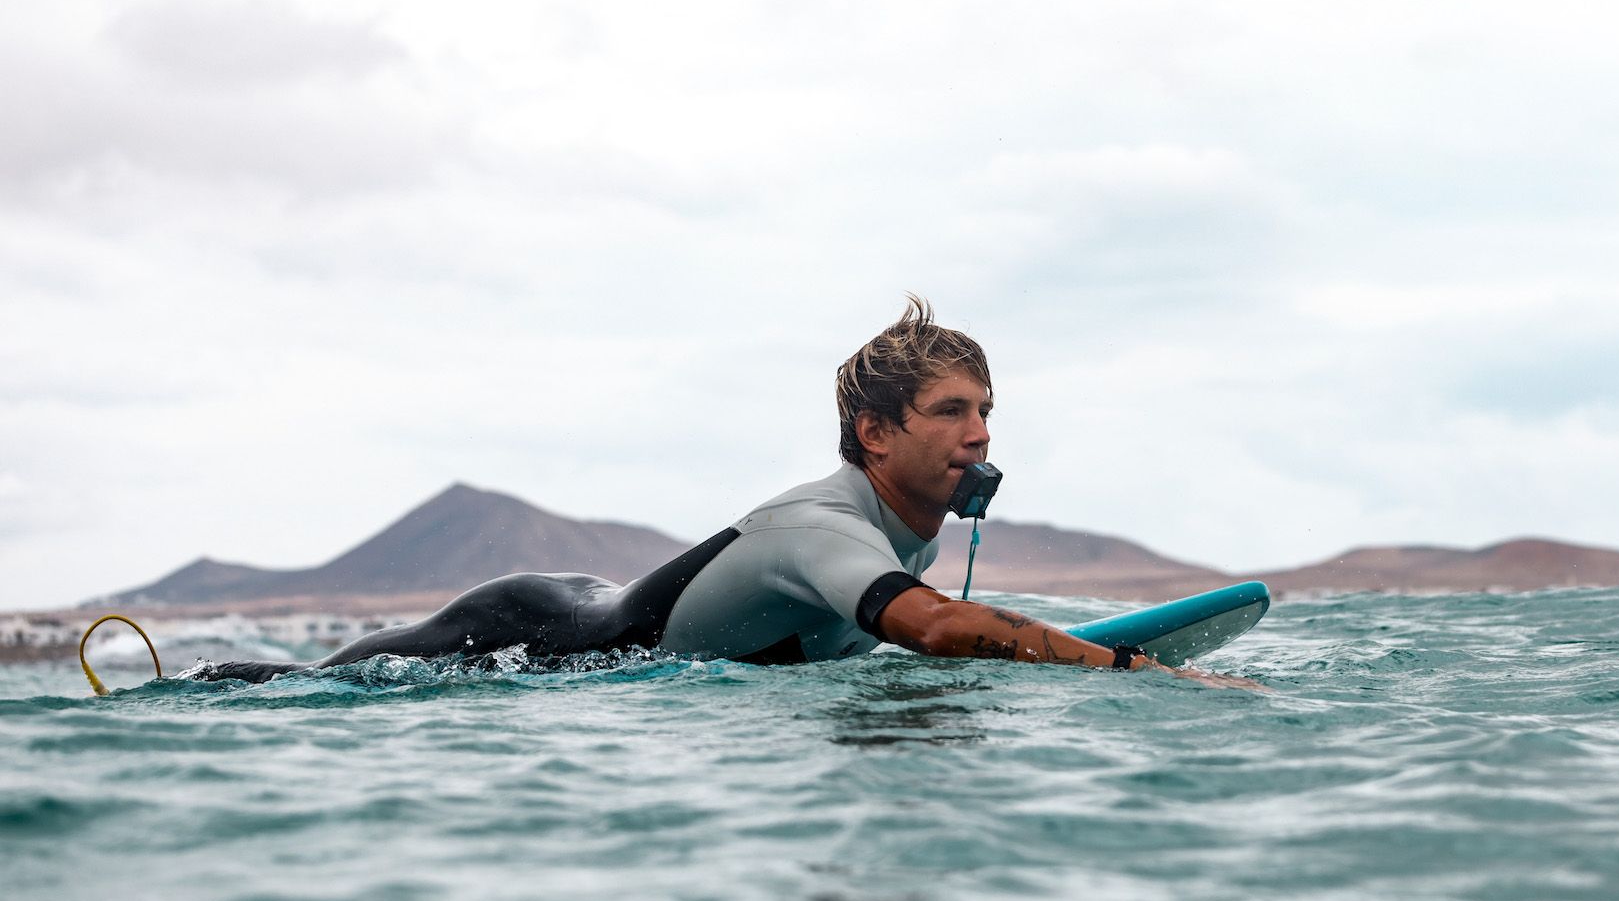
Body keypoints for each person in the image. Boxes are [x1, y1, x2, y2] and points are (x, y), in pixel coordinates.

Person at [202, 299, 1262, 689]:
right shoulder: (826, 530)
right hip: (528, 633)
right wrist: (1117, 667)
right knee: (297, 688)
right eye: (950, 411)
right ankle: (200, 676)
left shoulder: (912, 536)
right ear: (876, 432)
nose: (980, 433)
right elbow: (933, 632)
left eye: (985, 408)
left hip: (610, 602)